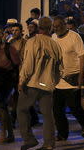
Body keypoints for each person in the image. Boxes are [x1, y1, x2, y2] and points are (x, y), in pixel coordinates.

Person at [18, 17, 64, 150]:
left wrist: (22, 81)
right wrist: (53, 82)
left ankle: (29, 139)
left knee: (21, 110)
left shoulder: (32, 41)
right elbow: (60, 68)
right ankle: (49, 144)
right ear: (50, 28)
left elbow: (28, 65)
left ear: (39, 28)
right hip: (47, 85)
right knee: (47, 114)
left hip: (32, 83)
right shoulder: (55, 44)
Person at [52, 16, 84, 141]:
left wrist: (81, 76)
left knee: (75, 107)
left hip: (73, 78)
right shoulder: (53, 38)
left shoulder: (74, 37)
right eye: (54, 26)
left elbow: (82, 57)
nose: (56, 28)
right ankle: (63, 134)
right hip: (58, 80)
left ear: (64, 24)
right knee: (57, 109)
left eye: (58, 26)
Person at [0, 25, 20, 144]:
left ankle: (3, 133)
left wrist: (18, 83)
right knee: (1, 107)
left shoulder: (9, 48)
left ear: (3, 35)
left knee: (1, 104)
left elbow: (17, 64)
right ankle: (10, 134)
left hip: (8, 79)